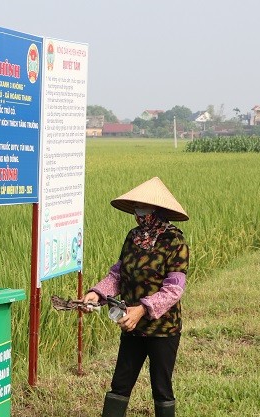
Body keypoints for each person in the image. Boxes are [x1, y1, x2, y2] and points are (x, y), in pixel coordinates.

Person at [81, 177, 189, 417]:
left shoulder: (175, 241)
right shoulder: (133, 237)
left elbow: (174, 288)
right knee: (120, 383)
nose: (139, 214)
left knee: (161, 388)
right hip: (131, 325)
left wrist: (141, 309)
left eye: (144, 209)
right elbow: (118, 274)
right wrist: (96, 293)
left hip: (163, 327)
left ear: (158, 211)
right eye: (137, 208)